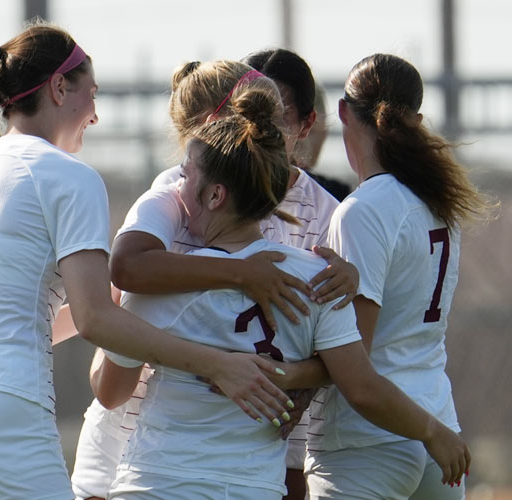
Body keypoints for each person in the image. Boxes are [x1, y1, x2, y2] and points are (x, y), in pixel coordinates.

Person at [0, 23, 291, 499]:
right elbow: (96, 319)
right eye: (91, 93)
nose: (95, 115)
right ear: (60, 88)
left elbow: (12, 311)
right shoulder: (67, 173)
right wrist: (218, 364)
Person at [103, 70, 467, 500]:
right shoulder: (320, 280)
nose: (179, 185)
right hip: (260, 484)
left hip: (160, 481)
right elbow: (351, 371)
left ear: (216, 195)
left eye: (187, 176)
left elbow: (110, 389)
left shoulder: (161, 286)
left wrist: (119, 336)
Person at [71, 57, 355, 500]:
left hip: (253, 455)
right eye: (250, 112)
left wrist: (291, 374)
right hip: (138, 440)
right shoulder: (178, 191)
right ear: (213, 123)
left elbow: (344, 349)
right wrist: (240, 274)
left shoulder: (326, 211)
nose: (260, 129)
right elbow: (127, 269)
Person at [300, 53, 490, 500]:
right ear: (417, 120)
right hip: (436, 427)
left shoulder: (363, 210)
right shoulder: (438, 201)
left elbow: (356, 368)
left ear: (343, 112)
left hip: (368, 441)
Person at [245, 49, 349, 201]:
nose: (257, 126)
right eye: (246, 111)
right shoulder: (207, 195)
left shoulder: (327, 214)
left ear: (307, 124)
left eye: (277, 116)